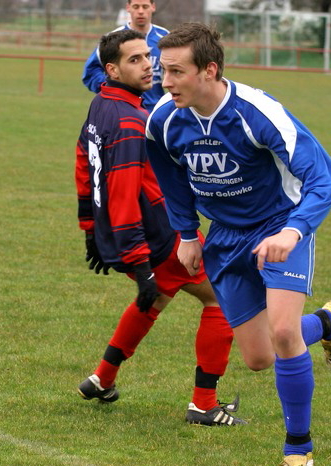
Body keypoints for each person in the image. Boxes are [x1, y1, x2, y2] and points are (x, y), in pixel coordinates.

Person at [145, 22, 331, 466]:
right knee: (259, 358)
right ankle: (327, 321)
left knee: (283, 332)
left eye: (176, 72)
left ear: (209, 70)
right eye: (164, 71)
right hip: (225, 238)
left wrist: (293, 232)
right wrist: (188, 235)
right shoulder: (163, 120)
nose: (166, 81)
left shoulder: (258, 113)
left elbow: (324, 179)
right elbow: (172, 179)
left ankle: (298, 450)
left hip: (278, 227)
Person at [75, 28, 245, 427]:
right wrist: (138, 262)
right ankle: (203, 404)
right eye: (134, 60)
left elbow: (83, 163)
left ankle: (102, 378)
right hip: (161, 235)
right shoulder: (131, 122)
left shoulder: (101, 104)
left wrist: (90, 229)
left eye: (147, 56)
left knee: (156, 299)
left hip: (139, 236)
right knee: (223, 300)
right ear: (112, 70)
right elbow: (123, 195)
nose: (148, 66)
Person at [82, 0, 168, 112]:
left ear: (153, 7)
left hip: (156, 110)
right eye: (136, 7)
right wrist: (113, 90)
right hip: (123, 107)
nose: (140, 11)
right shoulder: (114, 38)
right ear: (128, 7)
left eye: (145, 6)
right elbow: (90, 71)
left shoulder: (165, 37)